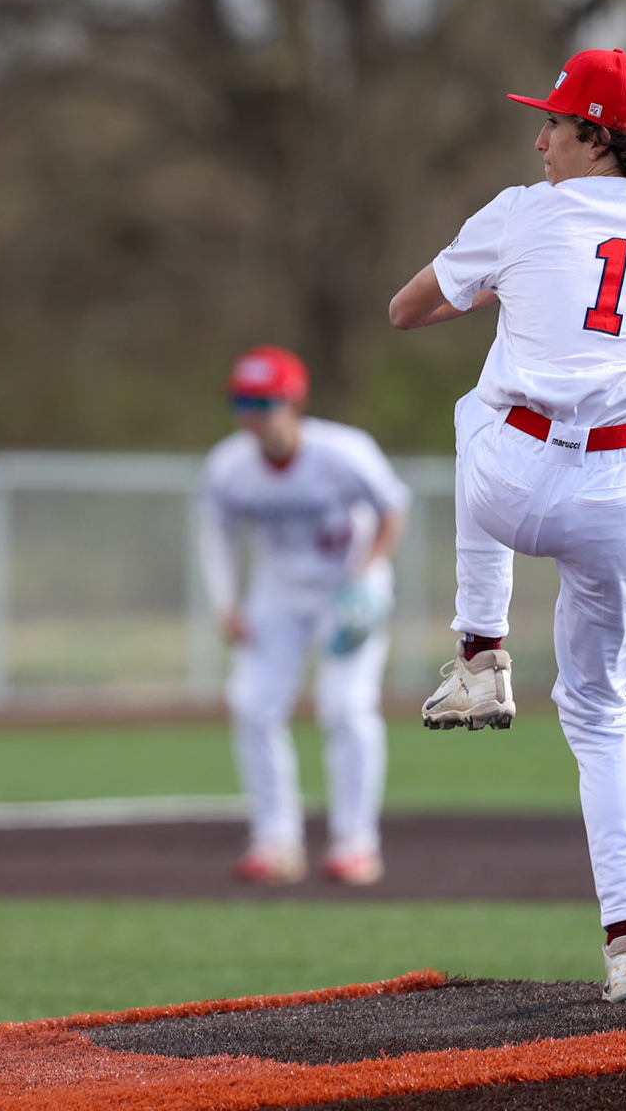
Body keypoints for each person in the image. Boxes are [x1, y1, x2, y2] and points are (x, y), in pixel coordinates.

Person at [386, 48, 626, 1003]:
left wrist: (504, 281)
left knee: (474, 408)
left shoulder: (518, 212)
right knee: (600, 714)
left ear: (599, 135)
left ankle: (479, 653)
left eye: (554, 120)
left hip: (514, 471)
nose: (539, 135)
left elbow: (406, 311)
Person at [198, 345, 411, 886]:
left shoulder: (343, 452)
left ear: (293, 400)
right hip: (278, 590)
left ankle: (355, 845)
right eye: (241, 400)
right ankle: (276, 843)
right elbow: (217, 533)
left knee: (346, 706)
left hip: (348, 586)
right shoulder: (229, 465)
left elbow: (392, 510)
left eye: (263, 400)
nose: (252, 413)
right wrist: (226, 602)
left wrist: (368, 576)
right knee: (251, 704)